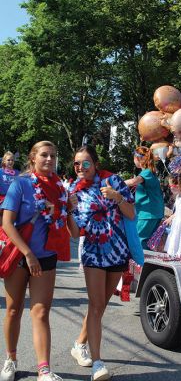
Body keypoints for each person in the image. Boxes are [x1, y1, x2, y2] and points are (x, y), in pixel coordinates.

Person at [0, 141, 70, 381]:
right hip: (20, 255)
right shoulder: (21, 185)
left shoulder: (61, 188)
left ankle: (44, 370)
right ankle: (10, 359)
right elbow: (7, 223)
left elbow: (70, 227)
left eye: (53, 155)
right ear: (33, 158)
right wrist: (28, 254)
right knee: (13, 310)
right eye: (44, 155)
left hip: (46, 257)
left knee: (40, 313)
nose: (49, 159)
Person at [67, 145, 135, 381]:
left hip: (117, 252)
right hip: (93, 254)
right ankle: (97, 363)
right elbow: (75, 234)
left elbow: (132, 213)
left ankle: (79, 343)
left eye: (85, 163)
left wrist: (117, 198)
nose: (80, 168)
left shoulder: (113, 181)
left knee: (101, 305)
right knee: (96, 306)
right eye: (76, 164)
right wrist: (68, 211)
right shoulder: (74, 190)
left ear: (95, 164)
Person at [125, 146, 164, 250]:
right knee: (145, 241)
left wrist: (117, 182)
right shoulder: (150, 172)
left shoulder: (146, 172)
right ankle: (144, 263)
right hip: (153, 213)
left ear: (137, 159)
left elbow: (134, 181)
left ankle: (139, 264)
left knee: (137, 240)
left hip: (148, 214)